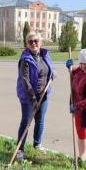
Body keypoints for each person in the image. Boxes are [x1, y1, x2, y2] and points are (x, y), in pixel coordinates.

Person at [16, 32, 55, 161]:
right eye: (30, 41)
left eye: (36, 41)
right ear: (27, 44)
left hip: (43, 94)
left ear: (40, 42)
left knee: (40, 120)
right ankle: (20, 150)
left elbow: (49, 68)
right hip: (28, 96)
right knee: (26, 122)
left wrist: (53, 73)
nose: (34, 43)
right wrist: (33, 99)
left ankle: (37, 144)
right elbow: (25, 81)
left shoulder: (44, 54)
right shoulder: (25, 59)